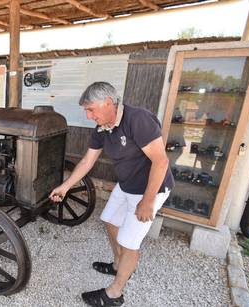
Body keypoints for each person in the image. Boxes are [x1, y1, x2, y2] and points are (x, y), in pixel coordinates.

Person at [49, 82, 174, 307]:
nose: (88, 116)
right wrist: (65, 186)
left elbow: (161, 161)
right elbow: (88, 161)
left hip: (149, 189)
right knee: (108, 220)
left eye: (91, 109)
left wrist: (148, 201)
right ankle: (118, 264)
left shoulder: (138, 119)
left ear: (108, 102)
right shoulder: (101, 127)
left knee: (129, 242)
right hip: (126, 184)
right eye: (86, 110)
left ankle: (115, 294)